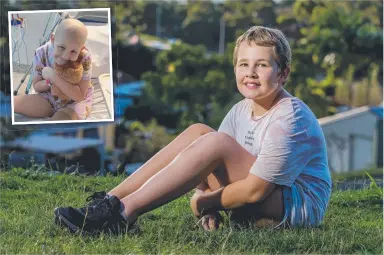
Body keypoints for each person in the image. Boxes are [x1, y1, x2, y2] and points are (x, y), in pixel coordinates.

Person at [54, 26, 332, 234]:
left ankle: (122, 216)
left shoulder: (290, 118)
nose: (251, 73)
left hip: (296, 205)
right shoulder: (241, 109)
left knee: (217, 142)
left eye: (262, 65)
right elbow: (204, 166)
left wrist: (204, 203)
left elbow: (255, 191)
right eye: (244, 64)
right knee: (200, 132)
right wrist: (207, 201)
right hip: (259, 192)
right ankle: (111, 200)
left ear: (283, 73)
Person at [14, 18, 93, 121]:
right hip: (48, 96)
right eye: (61, 47)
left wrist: (53, 76)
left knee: (57, 125)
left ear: (81, 48)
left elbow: (79, 96)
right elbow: (37, 87)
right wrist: (49, 82)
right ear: (52, 39)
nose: (65, 56)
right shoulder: (41, 53)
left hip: (74, 102)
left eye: (73, 51)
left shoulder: (85, 58)